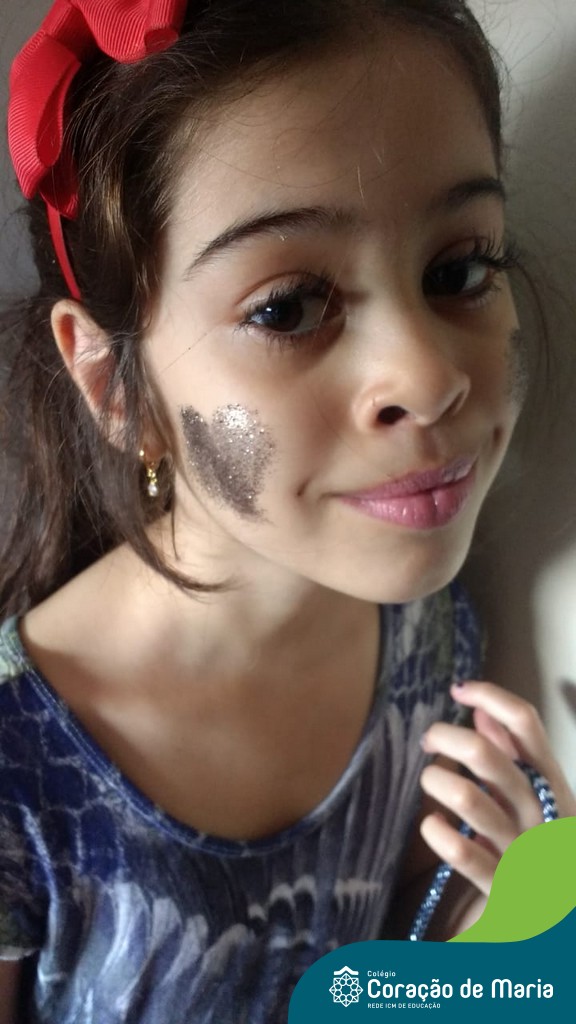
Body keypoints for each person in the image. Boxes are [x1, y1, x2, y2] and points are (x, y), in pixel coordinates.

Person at [0, 0, 574, 1021]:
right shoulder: (16, 774)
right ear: (113, 386)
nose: (428, 376)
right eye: (287, 308)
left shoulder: (432, 642)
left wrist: (521, 928)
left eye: (458, 271)